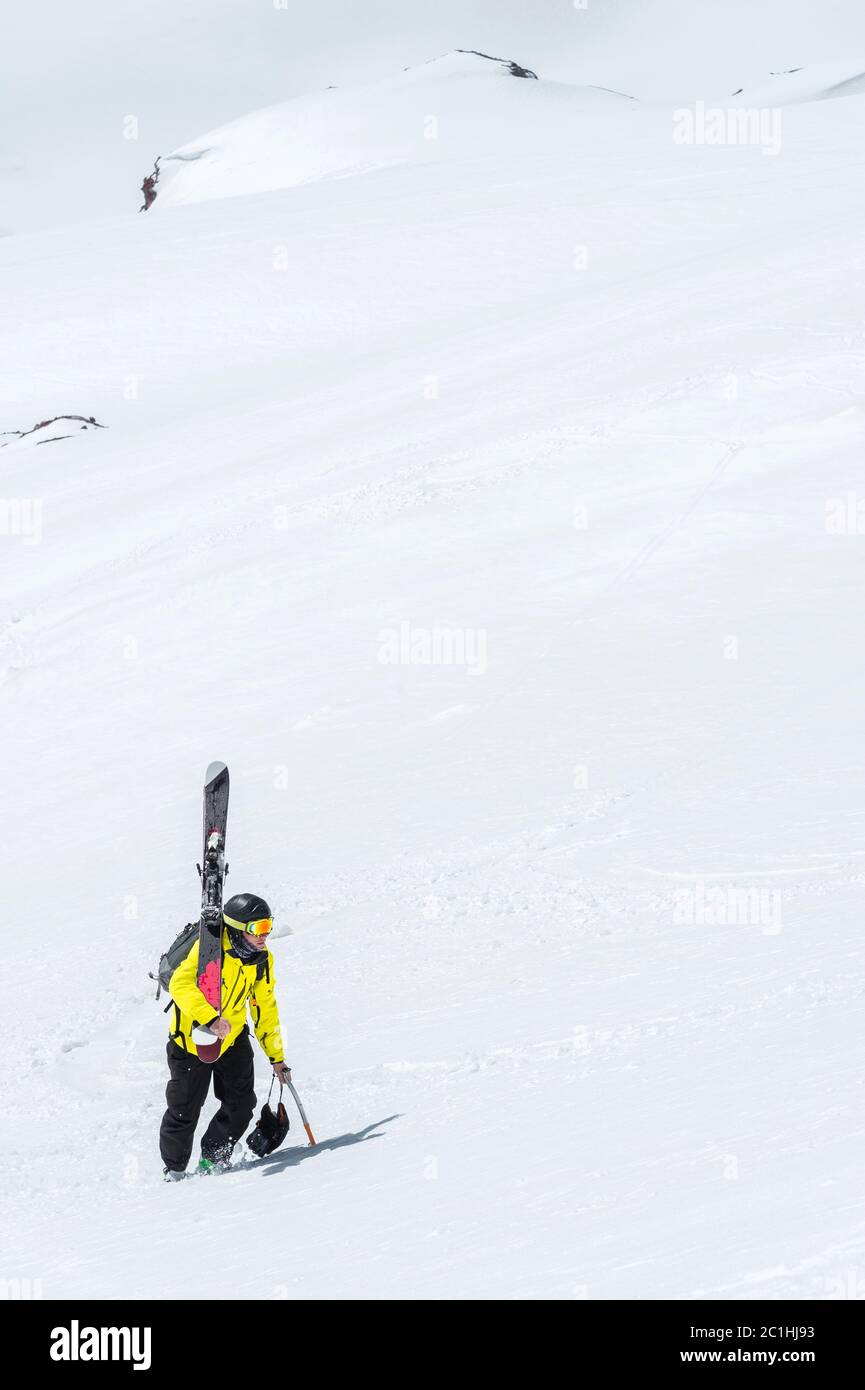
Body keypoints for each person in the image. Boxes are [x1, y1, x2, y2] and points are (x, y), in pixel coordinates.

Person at [160, 892, 290, 1179]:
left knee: (241, 1105)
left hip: (232, 1039)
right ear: (237, 927)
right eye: (257, 928)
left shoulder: (261, 960)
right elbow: (181, 985)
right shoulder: (210, 949)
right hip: (191, 1041)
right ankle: (175, 1172)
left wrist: (276, 1058)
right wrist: (211, 1018)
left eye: (268, 926)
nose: (264, 936)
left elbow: (265, 1008)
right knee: (184, 1111)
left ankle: (213, 1159)